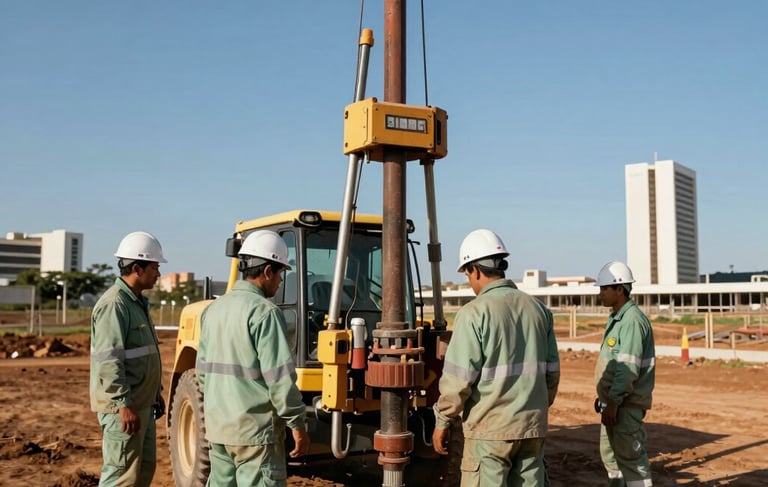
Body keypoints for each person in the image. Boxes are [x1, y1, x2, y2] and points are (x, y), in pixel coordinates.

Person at [432, 229, 560, 486]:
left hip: (490, 434)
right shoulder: (538, 310)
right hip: (531, 428)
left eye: (467, 274)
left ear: (475, 270)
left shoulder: (473, 313)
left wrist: (443, 420)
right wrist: (531, 410)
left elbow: (458, 380)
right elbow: (551, 373)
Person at [197, 230, 309, 486]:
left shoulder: (213, 310)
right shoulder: (265, 313)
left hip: (218, 429)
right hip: (254, 434)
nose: (281, 282)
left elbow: (203, 374)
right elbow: (280, 378)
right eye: (281, 274)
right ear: (268, 271)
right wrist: (297, 422)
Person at [90, 231, 167, 487]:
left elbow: (142, 355)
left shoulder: (135, 303)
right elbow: (108, 360)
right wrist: (123, 404)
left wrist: (155, 393)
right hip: (123, 408)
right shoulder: (115, 305)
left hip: (140, 405)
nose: (158, 273)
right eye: (155, 267)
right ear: (137, 267)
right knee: (121, 476)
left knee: (141, 472)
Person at [594, 261, 656, 487]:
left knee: (632, 462)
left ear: (620, 289)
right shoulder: (617, 318)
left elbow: (627, 368)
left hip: (624, 407)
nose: (600, 294)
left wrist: (613, 402)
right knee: (612, 459)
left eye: (604, 289)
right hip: (613, 404)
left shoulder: (631, 321)